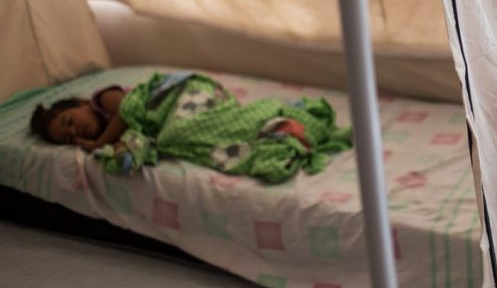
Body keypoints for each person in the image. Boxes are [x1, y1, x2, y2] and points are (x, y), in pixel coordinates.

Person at [30, 71, 352, 184]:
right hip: (179, 110)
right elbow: (138, 134)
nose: (76, 132)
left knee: (178, 133)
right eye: (68, 137)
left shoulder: (103, 100)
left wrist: (101, 141)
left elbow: (129, 113)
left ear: (80, 104)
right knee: (197, 139)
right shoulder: (106, 125)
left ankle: (277, 125)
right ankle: (275, 130)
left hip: (183, 94)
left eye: (69, 121)